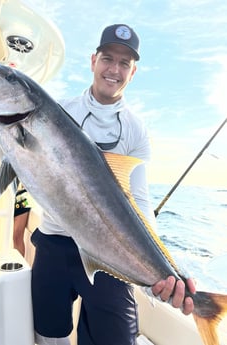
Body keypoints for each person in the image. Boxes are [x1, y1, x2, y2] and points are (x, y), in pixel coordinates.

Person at [31, 24, 196, 345]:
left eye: (124, 63)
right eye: (108, 58)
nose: (114, 69)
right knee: (48, 335)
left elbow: (140, 201)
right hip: (54, 242)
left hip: (109, 254)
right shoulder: (59, 110)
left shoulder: (135, 130)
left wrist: (166, 267)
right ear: (93, 60)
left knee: (118, 339)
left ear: (133, 73)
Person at [13, 184, 31, 256]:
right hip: (22, 193)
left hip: (26, 195)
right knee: (16, 237)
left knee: (17, 235)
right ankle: (17, 264)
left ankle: (18, 265)